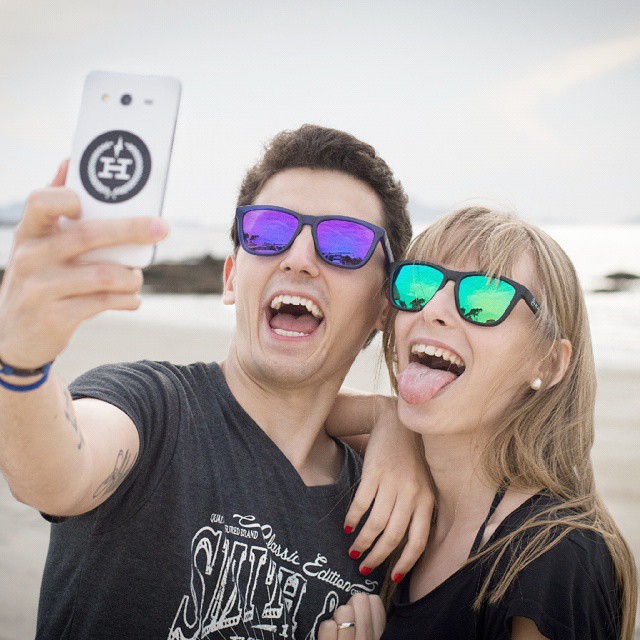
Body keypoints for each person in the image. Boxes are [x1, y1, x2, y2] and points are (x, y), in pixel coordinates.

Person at [0, 125, 434, 639]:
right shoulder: (154, 409)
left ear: (384, 306)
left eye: (344, 244)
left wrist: (402, 424)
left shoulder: (387, 508)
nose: (298, 259)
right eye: (268, 231)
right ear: (231, 277)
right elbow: (56, 475)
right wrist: (21, 363)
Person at [320, 205, 637, 639]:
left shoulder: (556, 559)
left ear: (547, 362)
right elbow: (273, 407)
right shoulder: (401, 497)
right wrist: (385, 416)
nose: (433, 308)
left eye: (484, 298)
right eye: (418, 284)